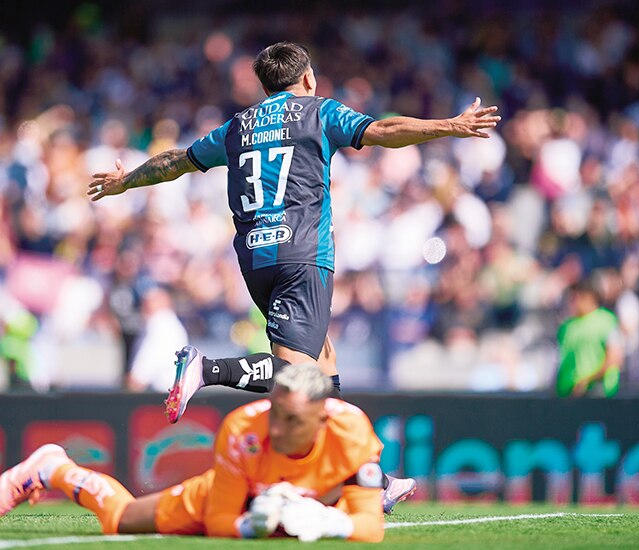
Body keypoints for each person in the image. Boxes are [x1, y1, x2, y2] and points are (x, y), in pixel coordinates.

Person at [88, 41, 497, 511]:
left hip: (255, 261)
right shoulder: (318, 112)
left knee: (322, 361)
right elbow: (382, 129)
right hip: (303, 255)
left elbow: (176, 161)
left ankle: (370, 480)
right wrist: (452, 126)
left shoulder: (237, 126)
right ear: (307, 79)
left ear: (263, 87)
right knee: (295, 377)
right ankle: (208, 368)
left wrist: (125, 181)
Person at [0, 363, 388, 542]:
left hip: (305, 499)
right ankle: (55, 468)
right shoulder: (243, 429)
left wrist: (328, 522)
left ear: (322, 418)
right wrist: (256, 525)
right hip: (230, 496)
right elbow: (218, 521)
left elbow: (370, 529)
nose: (277, 429)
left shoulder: (352, 432)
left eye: (293, 421)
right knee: (120, 520)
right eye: (275, 414)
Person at [556, 279, 625, 397]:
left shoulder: (607, 321)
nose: (572, 302)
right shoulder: (567, 327)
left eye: (576, 297)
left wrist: (587, 381)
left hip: (596, 393)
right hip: (568, 393)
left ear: (589, 297)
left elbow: (614, 358)